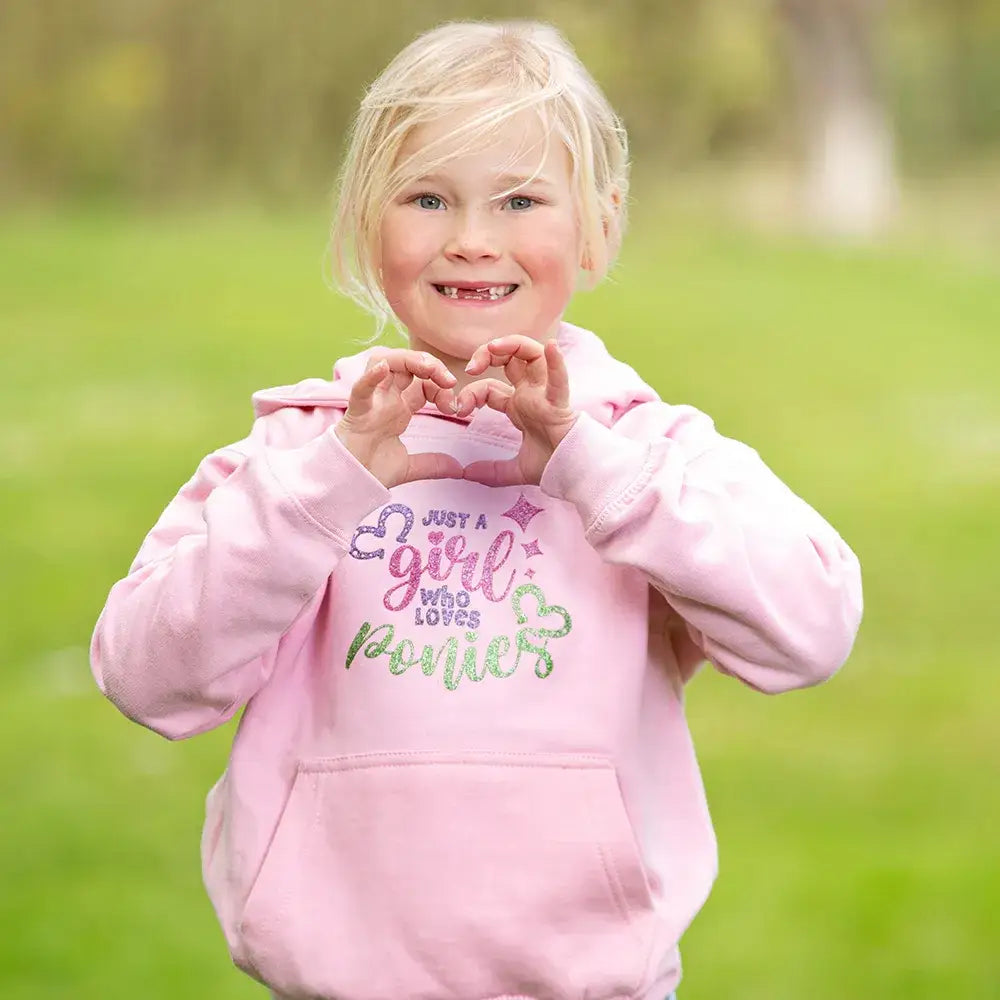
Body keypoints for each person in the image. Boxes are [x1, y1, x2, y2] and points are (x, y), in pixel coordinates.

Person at [90, 19, 863, 1000]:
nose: (469, 237)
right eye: (426, 197)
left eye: (519, 198)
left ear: (598, 224)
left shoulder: (647, 453)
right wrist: (327, 491)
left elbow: (812, 629)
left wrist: (593, 469)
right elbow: (146, 675)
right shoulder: (299, 452)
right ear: (366, 223)